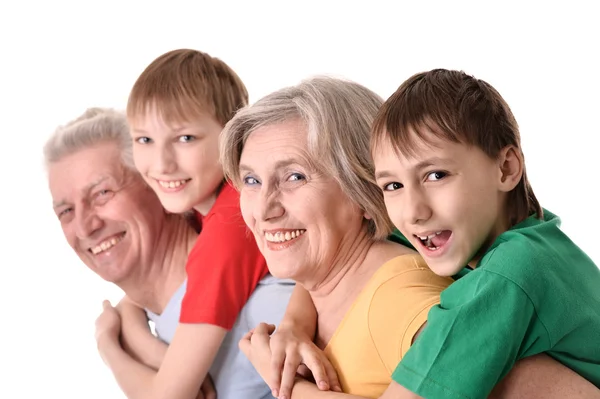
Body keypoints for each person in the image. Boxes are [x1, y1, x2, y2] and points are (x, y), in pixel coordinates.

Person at [369, 68, 600, 398]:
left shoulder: (509, 274)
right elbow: (357, 245)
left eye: (436, 175)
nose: (413, 212)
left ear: (506, 169)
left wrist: (295, 388)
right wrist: (295, 323)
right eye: (393, 185)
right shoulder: (537, 239)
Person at [219, 76, 454, 398]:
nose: (263, 209)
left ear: (364, 188)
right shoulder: (326, 285)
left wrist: (292, 390)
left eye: (294, 177)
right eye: (251, 180)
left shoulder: (400, 297)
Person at [45, 107, 293, 399]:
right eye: (66, 211)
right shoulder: (150, 320)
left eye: (103, 193)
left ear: (161, 184)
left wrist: (108, 345)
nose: (86, 227)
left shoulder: (267, 308)